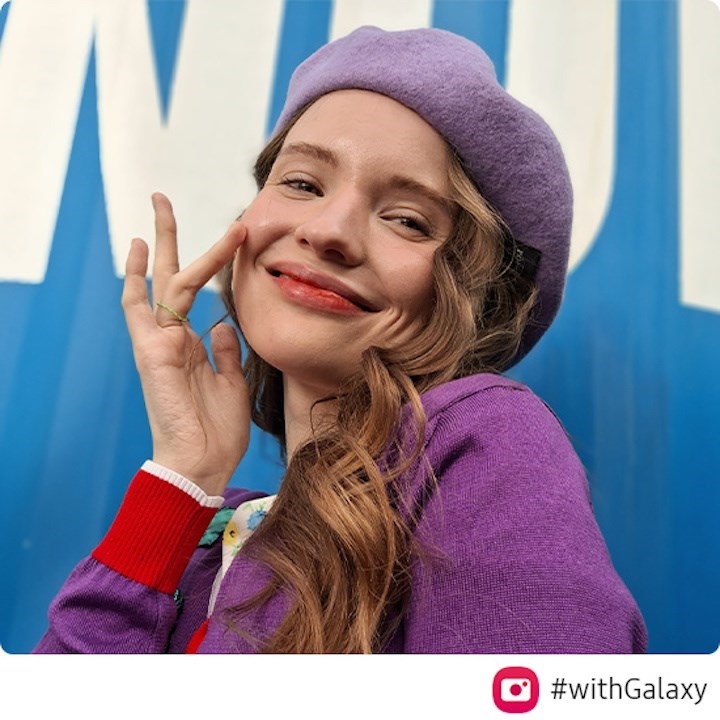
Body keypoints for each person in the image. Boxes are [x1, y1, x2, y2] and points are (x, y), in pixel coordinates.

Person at [34, 26, 647, 654]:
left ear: (469, 290)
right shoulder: (213, 530)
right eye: (302, 183)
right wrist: (182, 474)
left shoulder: (490, 436)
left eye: (406, 220)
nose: (329, 231)